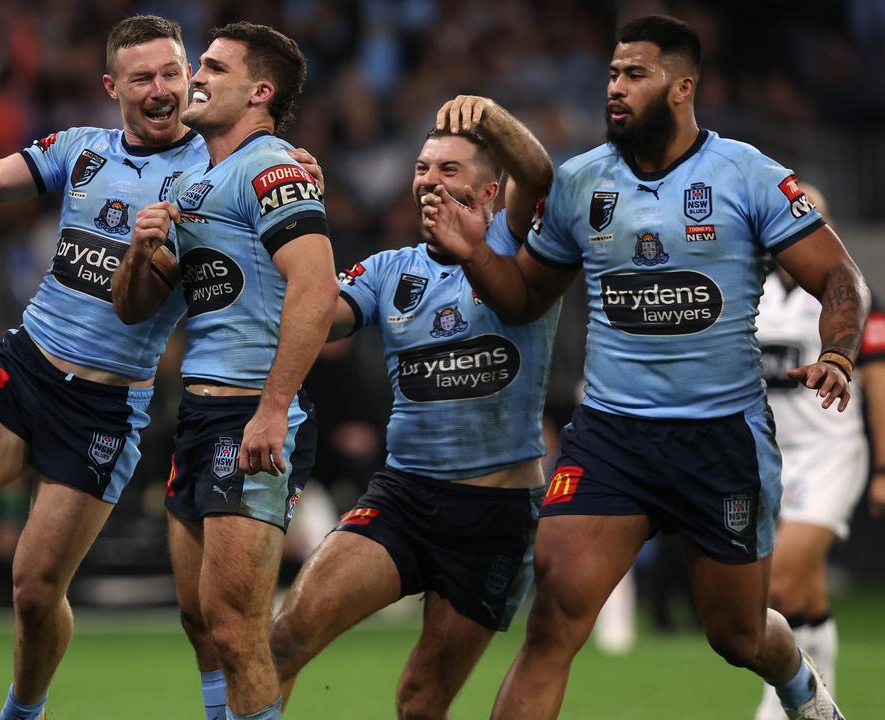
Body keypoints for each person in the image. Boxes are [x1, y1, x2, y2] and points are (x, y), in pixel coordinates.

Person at [0, 16, 320, 720]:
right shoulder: (80, 150)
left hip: (106, 406)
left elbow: (272, 175)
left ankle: (23, 712)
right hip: (26, 366)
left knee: (34, 591)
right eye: (144, 77)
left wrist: (297, 169)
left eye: (175, 72)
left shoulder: (221, 164)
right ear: (113, 87)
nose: (166, 88)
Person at [422, 15, 867, 720]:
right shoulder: (579, 183)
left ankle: (802, 689)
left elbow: (841, 279)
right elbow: (526, 298)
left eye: (636, 74)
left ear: (683, 86)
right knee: (553, 624)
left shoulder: (747, 175)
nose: (616, 89)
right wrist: (476, 253)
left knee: (738, 634)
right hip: (612, 440)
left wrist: (839, 352)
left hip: (720, 439)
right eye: (611, 74)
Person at [268, 94, 556, 719]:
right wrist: (298, 219)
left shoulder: (518, 247)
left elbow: (538, 175)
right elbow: (323, 318)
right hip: (403, 498)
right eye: (423, 167)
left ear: (488, 193)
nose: (429, 180)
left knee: (420, 703)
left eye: (449, 169)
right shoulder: (390, 269)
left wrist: (492, 119)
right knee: (284, 639)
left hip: (494, 514)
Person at [112, 22, 336, 720]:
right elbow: (137, 308)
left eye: (212, 65)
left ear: (260, 91)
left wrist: (275, 407)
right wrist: (140, 252)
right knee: (201, 622)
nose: (193, 76)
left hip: (251, 413)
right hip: (200, 415)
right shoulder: (196, 181)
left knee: (238, 629)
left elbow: (316, 286)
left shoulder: (272, 168)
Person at [754, 184, 885, 720]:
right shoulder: (753, 291)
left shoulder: (845, 294)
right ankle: (823, 704)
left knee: (779, 581)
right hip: (772, 459)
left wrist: (883, 466)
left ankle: (779, 704)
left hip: (832, 453)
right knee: (804, 596)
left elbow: (878, 383)